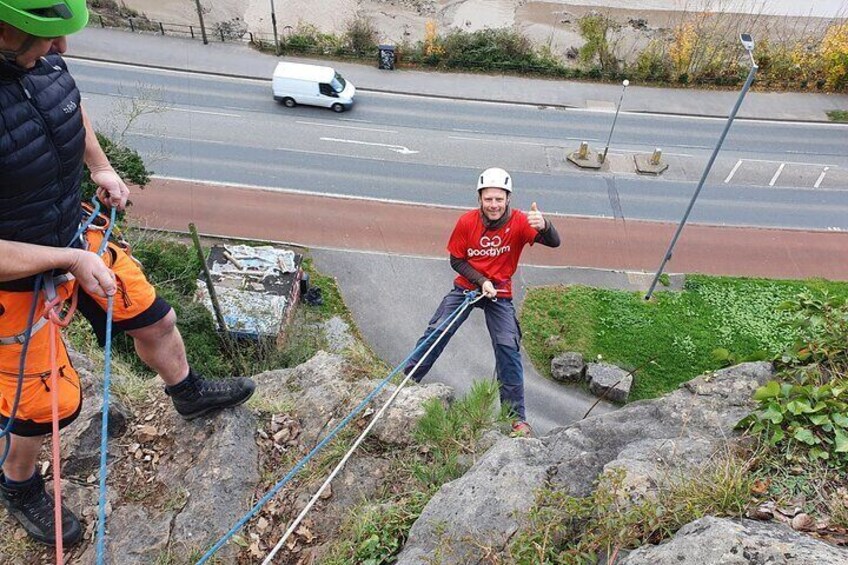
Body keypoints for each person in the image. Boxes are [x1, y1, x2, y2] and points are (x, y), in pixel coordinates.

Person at [0, 0, 255, 546]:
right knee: (44, 404)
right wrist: (69, 261)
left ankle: (186, 391)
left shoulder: (40, 62)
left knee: (153, 318)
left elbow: (71, 108)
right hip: (15, 279)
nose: (62, 49)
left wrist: (99, 165)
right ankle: (18, 485)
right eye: (47, 39)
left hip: (73, 232)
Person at [405, 167, 561, 437]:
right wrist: (480, 281)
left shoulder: (521, 222)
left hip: (499, 292)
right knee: (438, 331)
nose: (494, 205)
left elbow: (554, 243)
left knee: (507, 348)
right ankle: (406, 380)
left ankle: (516, 418)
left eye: (499, 199)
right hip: (469, 286)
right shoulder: (467, 223)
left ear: (508, 199)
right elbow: (457, 260)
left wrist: (545, 226)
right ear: (479, 199)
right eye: (488, 199)